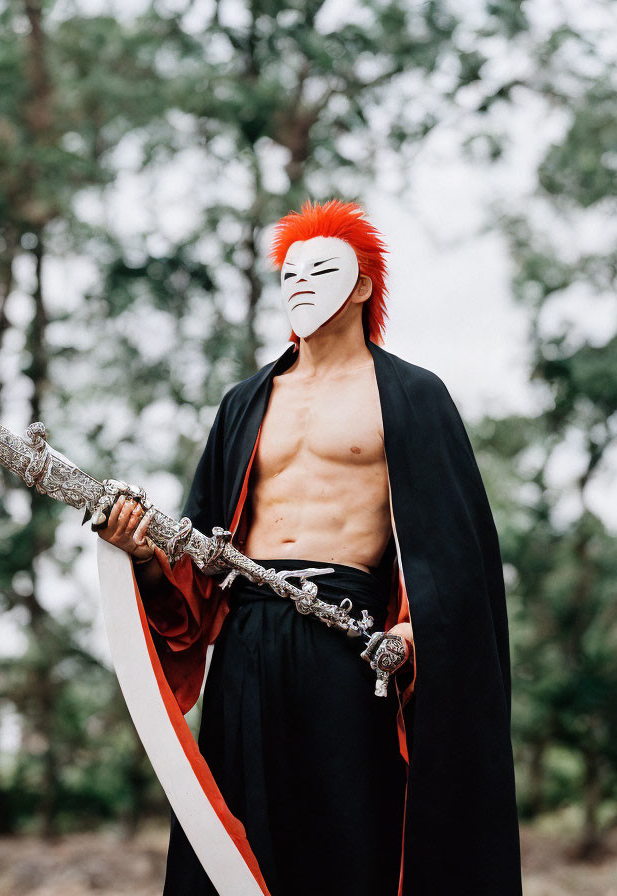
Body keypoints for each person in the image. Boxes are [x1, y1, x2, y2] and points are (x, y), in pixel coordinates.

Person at [98, 200, 523, 895]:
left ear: (361, 286)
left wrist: (416, 633)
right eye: (289, 272)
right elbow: (202, 552)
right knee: (239, 841)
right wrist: (142, 553)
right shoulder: (245, 403)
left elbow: (455, 556)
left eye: (321, 269)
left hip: (347, 642)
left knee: (349, 841)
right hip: (248, 639)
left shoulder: (412, 397)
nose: (301, 284)